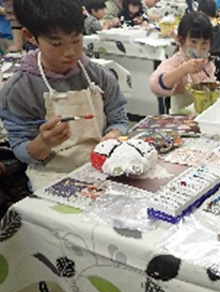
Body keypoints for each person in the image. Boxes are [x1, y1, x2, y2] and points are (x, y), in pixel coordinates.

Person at [0, 0, 129, 190]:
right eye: (56, 43)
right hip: (51, 174)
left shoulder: (99, 75)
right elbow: (21, 150)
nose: (69, 52)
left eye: (76, 40)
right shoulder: (19, 89)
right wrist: (43, 143)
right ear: (30, 36)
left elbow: (119, 117)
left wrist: (113, 135)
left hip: (101, 166)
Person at [149, 12, 215, 113]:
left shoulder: (208, 63)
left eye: (204, 43)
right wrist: (183, 69)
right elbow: (155, 86)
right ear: (181, 40)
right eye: (193, 42)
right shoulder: (176, 62)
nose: (199, 49)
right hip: (181, 120)